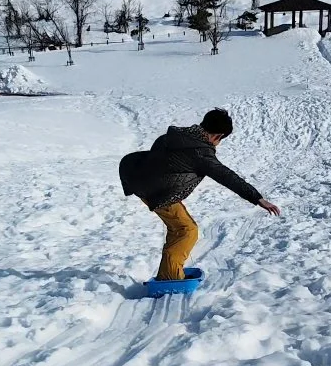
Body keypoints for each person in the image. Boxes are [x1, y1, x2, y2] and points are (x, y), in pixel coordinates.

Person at [119, 107, 280, 281]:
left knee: (179, 229)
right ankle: (170, 278)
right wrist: (257, 198)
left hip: (140, 180)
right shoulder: (200, 153)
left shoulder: (173, 137)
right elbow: (227, 177)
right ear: (217, 135)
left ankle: (169, 271)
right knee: (187, 231)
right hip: (158, 193)